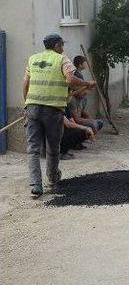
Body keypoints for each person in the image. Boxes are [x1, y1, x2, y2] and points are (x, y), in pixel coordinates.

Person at [23, 33, 95, 198]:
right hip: (53, 110)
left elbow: (26, 83)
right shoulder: (63, 59)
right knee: (53, 147)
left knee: (33, 149)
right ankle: (53, 180)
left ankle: (36, 186)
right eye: (62, 45)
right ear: (56, 46)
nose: (63, 48)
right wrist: (86, 83)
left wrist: (26, 105)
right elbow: (70, 79)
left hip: (33, 108)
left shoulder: (32, 59)